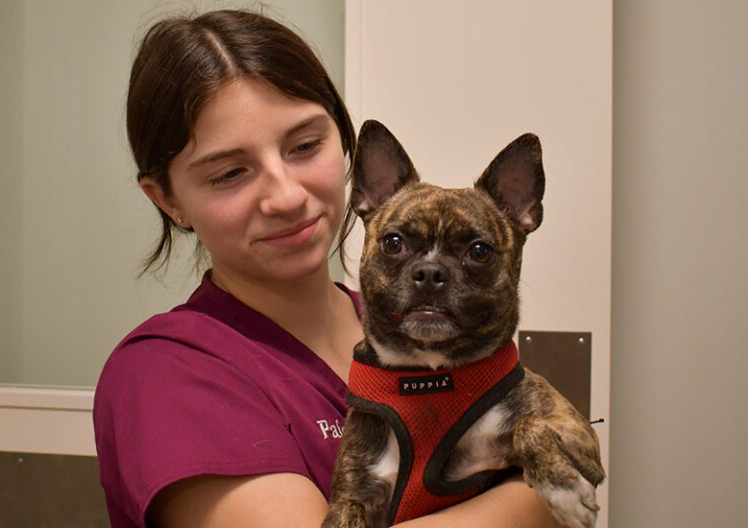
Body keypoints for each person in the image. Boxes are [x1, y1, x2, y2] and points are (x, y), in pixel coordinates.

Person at [93, 9, 561, 528]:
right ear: (167, 200)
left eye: (305, 146)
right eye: (230, 173)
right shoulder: (168, 372)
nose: (287, 196)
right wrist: (533, 499)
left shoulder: (420, 332)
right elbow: (554, 481)